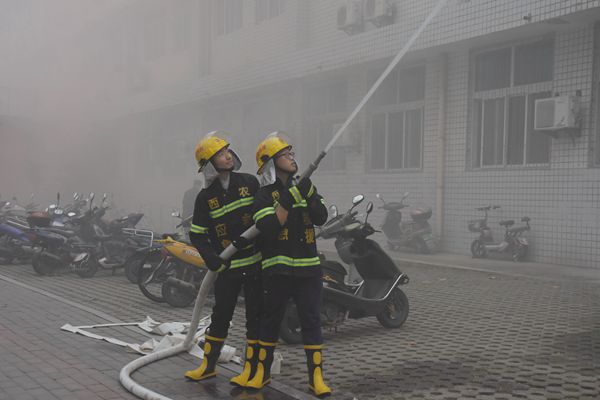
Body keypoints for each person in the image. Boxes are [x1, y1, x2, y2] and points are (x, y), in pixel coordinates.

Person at [246, 132, 332, 397]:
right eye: (285, 155)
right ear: (271, 162)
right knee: (270, 320)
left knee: (311, 320)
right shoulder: (263, 196)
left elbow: (321, 217)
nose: (292, 158)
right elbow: (269, 227)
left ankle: (316, 378)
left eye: (292, 153)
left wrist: (310, 194)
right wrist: (287, 198)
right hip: (277, 270)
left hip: (309, 269)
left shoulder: (306, 185)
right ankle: (261, 372)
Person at [184, 131, 262, 388]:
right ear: (209, 164)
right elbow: (197, 234)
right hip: (227, 269)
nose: (227, 156)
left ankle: (251, 369)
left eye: (227, 151)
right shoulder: (205, 198)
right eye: (219, 154)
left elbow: (264, 220)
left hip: (254, 265)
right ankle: (208, 366)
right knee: (220, 316)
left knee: (255, 317)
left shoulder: (249, 182)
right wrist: (211, 259)